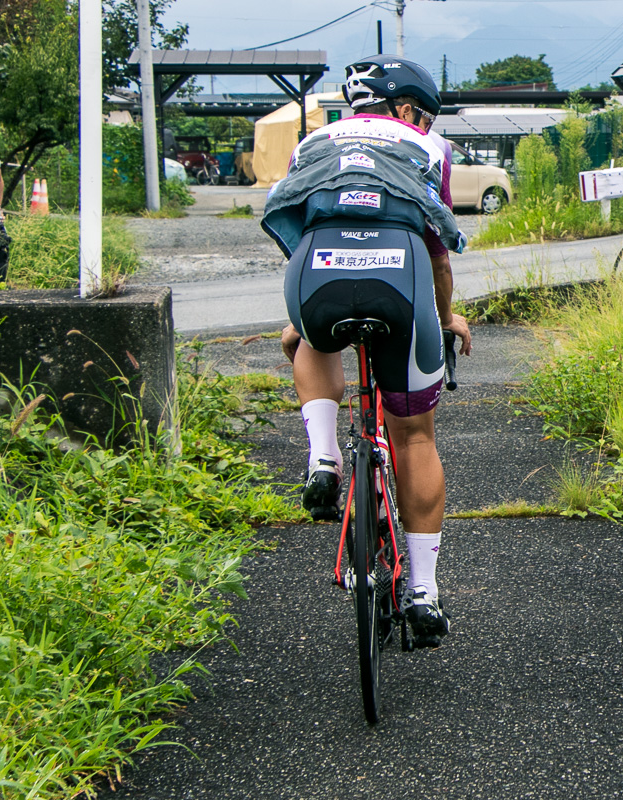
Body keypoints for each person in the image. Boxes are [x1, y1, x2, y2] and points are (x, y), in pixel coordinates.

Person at [262, 54, 471, 649]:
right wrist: (446, 315)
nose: (424, 125)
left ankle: (322, 458)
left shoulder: (314, 142)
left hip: (317, 274)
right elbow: (436, 251)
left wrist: (298, 322)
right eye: (422, 115)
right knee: (416, 437)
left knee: (310, 337)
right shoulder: (429, 150)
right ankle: (424, 593)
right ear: (405, 109)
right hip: (401, 278)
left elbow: (298, 228)